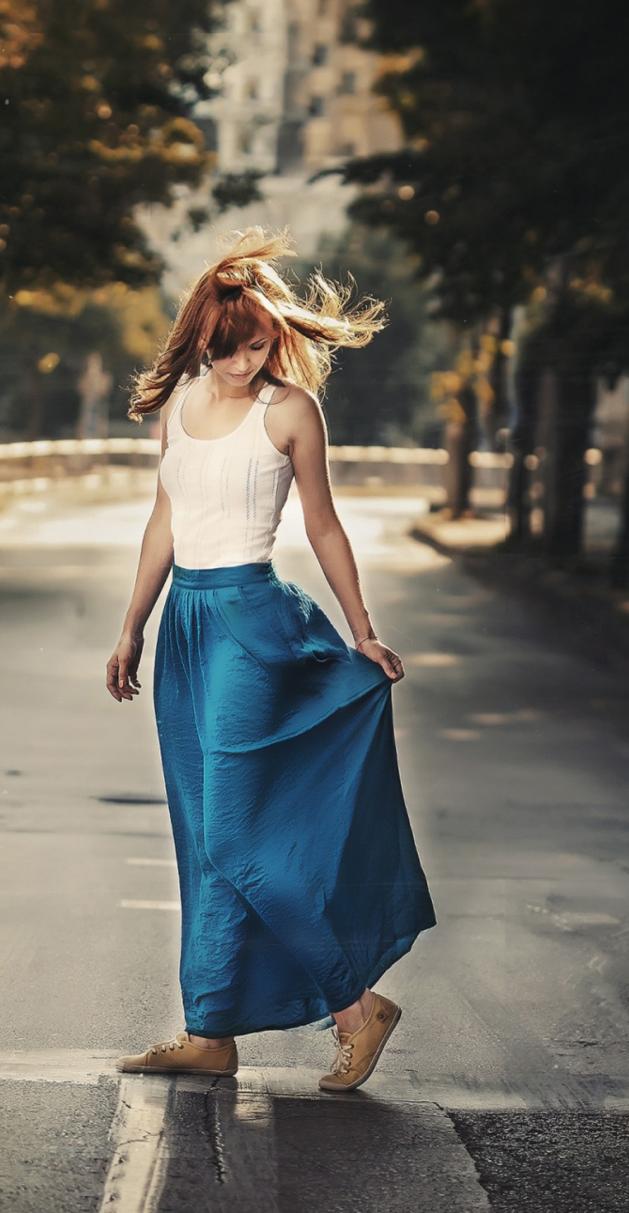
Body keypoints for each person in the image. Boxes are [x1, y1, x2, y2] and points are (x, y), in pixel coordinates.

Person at [106, 229, 437, 1092]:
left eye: (258, 345)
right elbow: (163, 522)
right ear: (201, 340)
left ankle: (357, 1009)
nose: (244, 362)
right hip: (186, 626)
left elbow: (322, 523)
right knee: (201, 834)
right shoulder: (179, 404)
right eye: (229, 349)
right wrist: (132, 625)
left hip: (253, 623)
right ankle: (210, 1029)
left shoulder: (289, 411)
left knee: (236, 834)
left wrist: (363, 629)